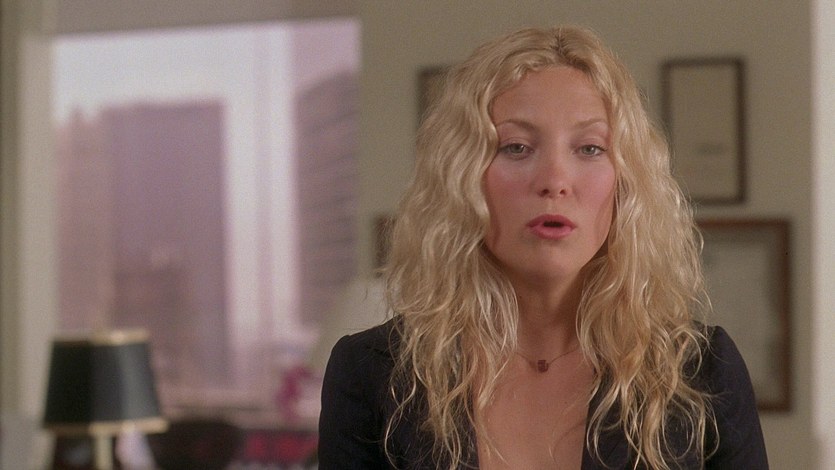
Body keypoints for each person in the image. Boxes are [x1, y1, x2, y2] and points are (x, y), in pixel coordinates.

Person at [318, 25, 768, 469]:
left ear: (625, 181)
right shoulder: (373, 373)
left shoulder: (701, 371)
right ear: (463, 176)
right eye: (516, 147)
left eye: (589, 148)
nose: (554, 180)